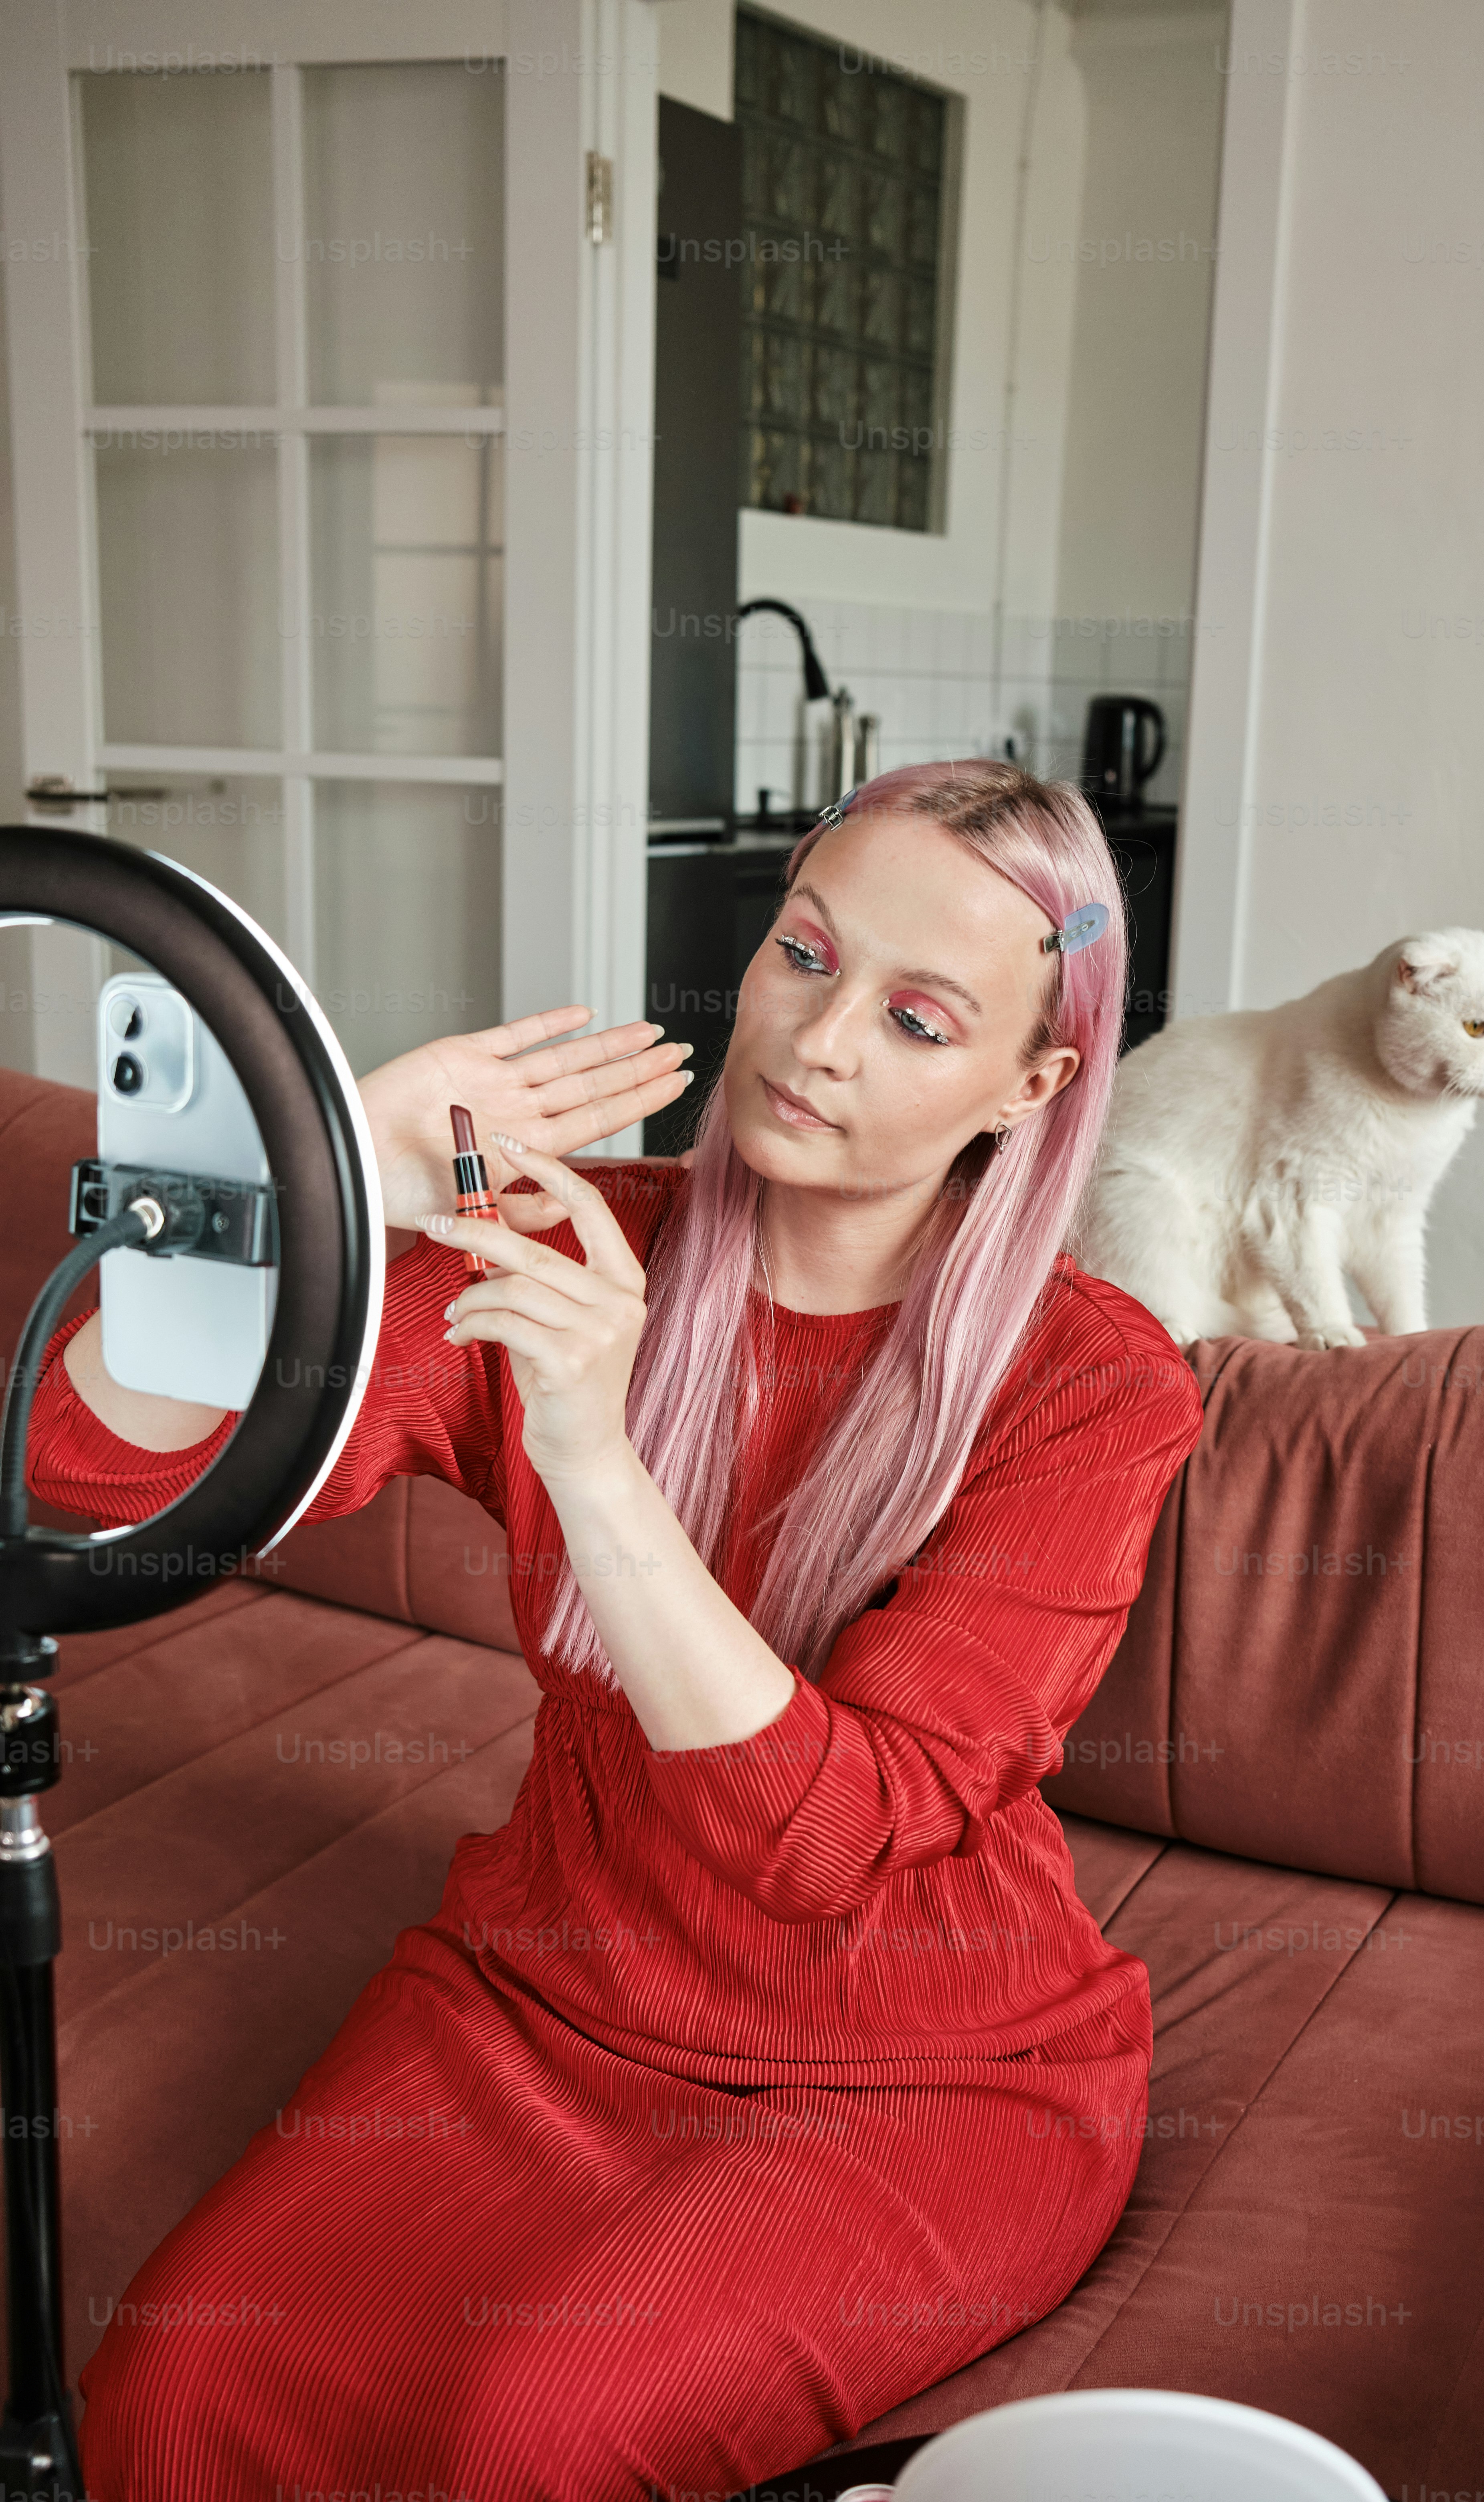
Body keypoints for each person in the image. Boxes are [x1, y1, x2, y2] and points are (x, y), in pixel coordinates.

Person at [28, 761, 1202, 2501]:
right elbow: (86, 1477)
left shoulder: (1091, 1386)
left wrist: (592, 1453)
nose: (816, 1042)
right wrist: (327, 1161)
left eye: (915, 1017)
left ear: (1026, 1087)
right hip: (540, 1991)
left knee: (526, 2439)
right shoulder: (568, 1247)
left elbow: (824, 1840)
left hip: (917, 2073)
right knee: (174, 2391)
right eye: (804, 958)